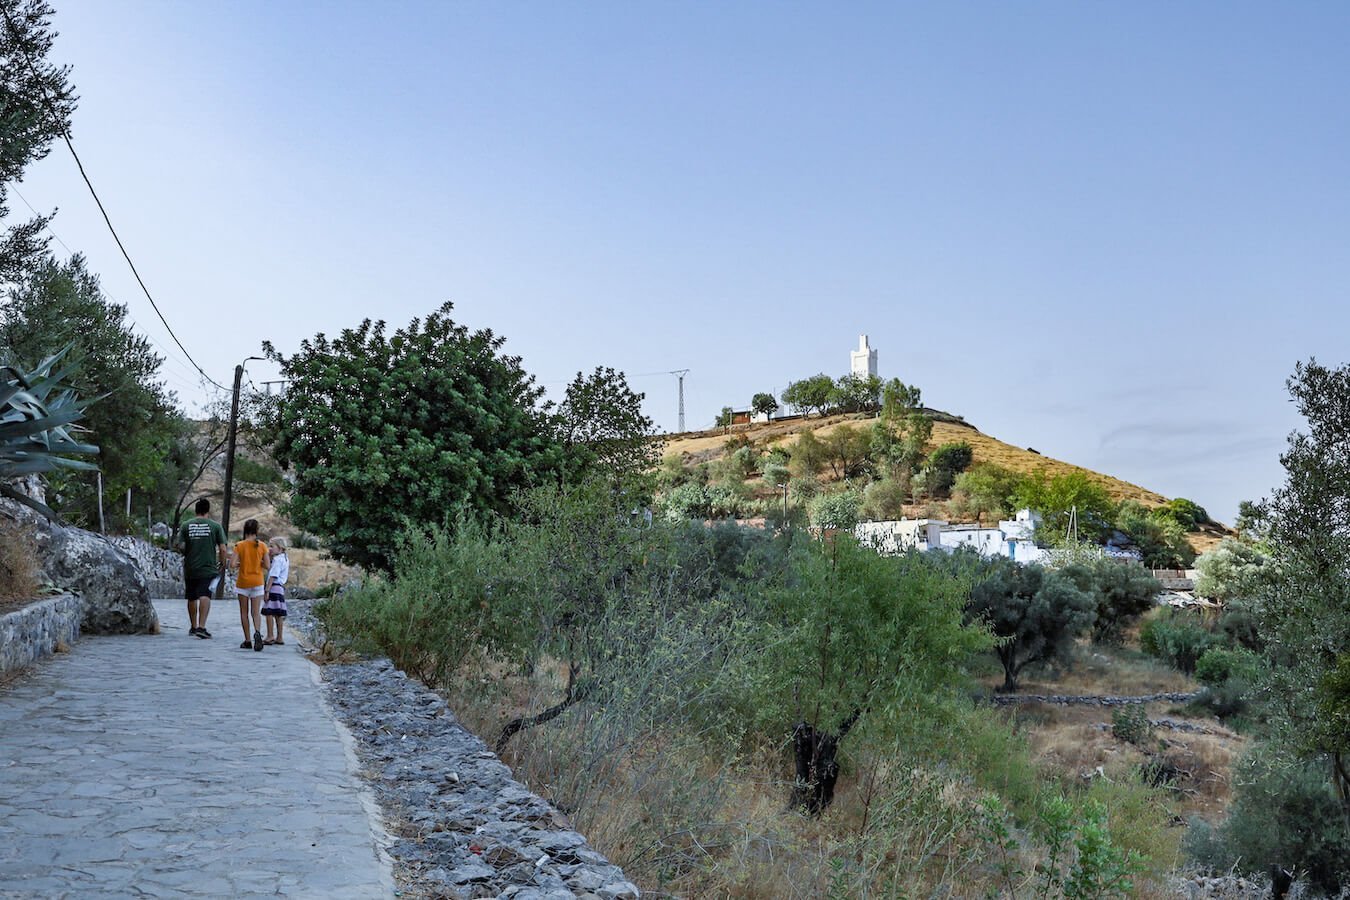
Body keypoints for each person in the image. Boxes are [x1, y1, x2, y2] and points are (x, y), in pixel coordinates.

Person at [178, 498, 227, 639]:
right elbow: (223, 549)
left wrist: (189, 553)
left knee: (192, 597)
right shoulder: (215, 526)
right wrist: (222, 563)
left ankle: (193, 627)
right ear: (208, 510)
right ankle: (201, 626)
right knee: (205, 595)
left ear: (196, 510)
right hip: (208, 567)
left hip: (190, 567)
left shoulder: (186, 525)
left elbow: (181, 546)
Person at [232, 519, 270, 651]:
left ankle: (247, 640)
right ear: (256, 530)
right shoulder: (262, 546)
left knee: (244, 612)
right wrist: (258, 563)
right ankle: (258, 632)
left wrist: (241, 564)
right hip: (257, 582)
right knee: (256, 612)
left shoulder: (239, 545)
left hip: (243, 582)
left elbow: (232, 565)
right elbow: (267, 565)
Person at [261, 536, 289, 646]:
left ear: (280, 548)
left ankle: (270, 635)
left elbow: (273, 575)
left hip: (273, 587)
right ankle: (280, 637)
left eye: (272, 546)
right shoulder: (284, 558)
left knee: (269, 611)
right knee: (278, 613)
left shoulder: (277, 560)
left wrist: (267, 590)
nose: (269, 548)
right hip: (280, 588)